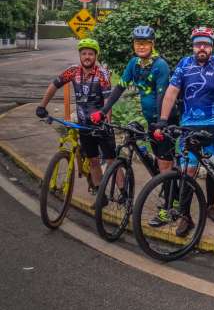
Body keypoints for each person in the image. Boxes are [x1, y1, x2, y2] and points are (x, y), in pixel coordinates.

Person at [154, 26, 214, 236]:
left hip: (213, 125)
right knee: (187, 171)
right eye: (197, 44)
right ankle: (185, 216)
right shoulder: (184, 65)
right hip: (188, 126)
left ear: (211, 46)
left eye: (205, 44)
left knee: (213, 168)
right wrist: (163, 120)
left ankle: (210, 205)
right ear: (193, 46)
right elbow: (171, 92)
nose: (201, 47)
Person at [35, 38, 114, 190]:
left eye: (90, 54)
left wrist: (107, 123)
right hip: (83, 123)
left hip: (101, 124)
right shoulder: (73, 71)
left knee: (111, 161)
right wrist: (42, 106)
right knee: (93, 160)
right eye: (84, 53)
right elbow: (54, 85)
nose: (87, 57)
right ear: (79, 55)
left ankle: (123, 193)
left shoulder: (102, 74)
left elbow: (108, 101)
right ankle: (99, 193)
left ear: (95, 56)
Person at [102, 26, 173, 172]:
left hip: (166, 119)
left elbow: (161, 95)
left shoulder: (160, 65)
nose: (141, 46)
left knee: (165, 162)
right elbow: (120, 87)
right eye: (137, 43)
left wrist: (161, 124)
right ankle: (167, 184)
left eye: (145, 43)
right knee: (159, 160)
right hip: (151, 120)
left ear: (152, 44)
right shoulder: (134, 63)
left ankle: (172, 192)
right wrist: (104, 111)